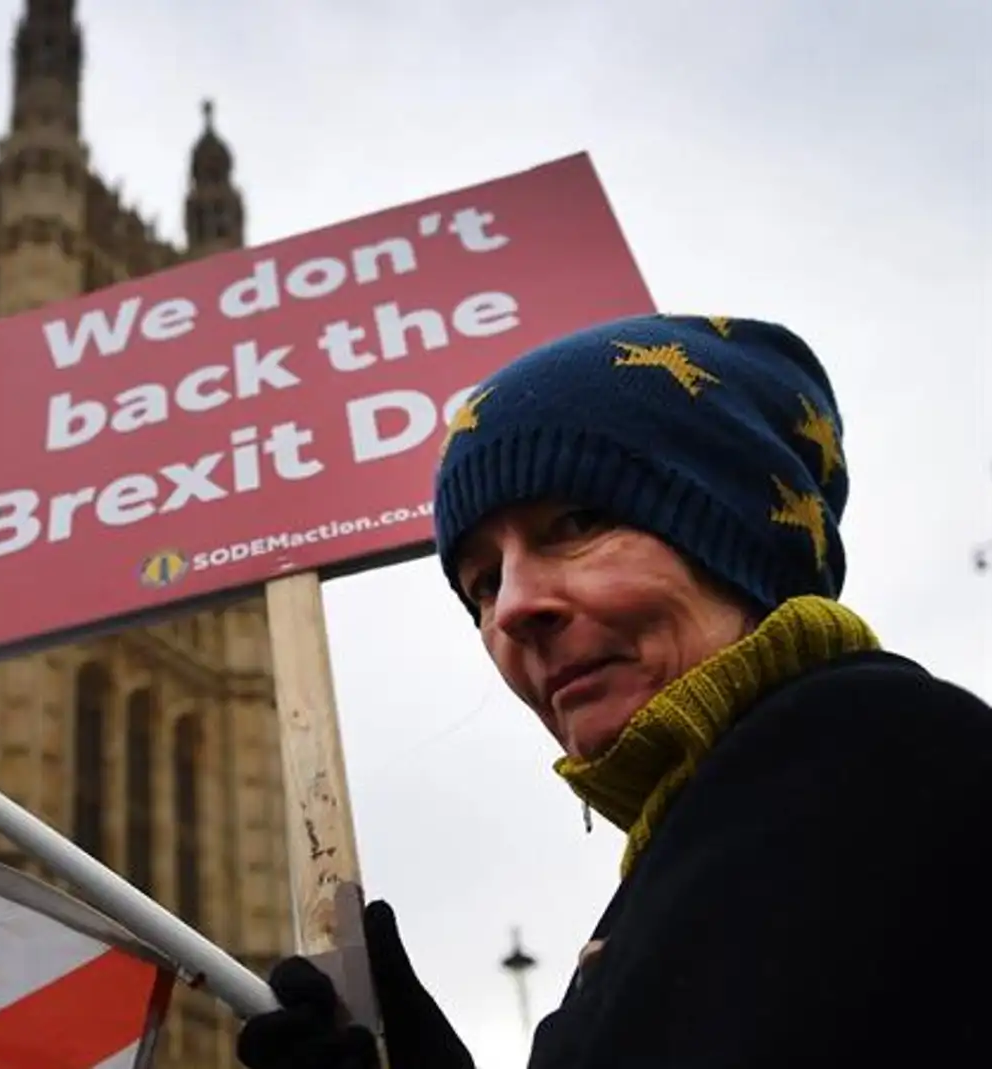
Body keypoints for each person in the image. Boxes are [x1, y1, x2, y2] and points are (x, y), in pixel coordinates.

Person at [233, 314, 992, 1067]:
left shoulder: (867, 756)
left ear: (732, 532)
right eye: (482, 583)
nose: (514, 608)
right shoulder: (711, 825)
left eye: (576, 522)